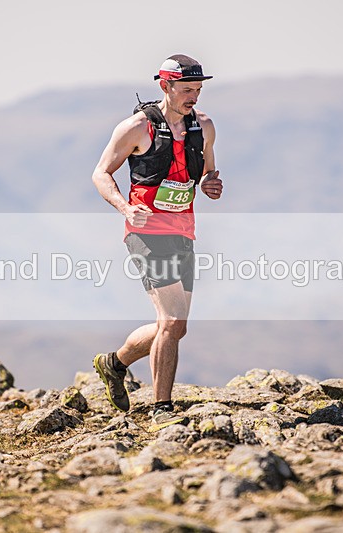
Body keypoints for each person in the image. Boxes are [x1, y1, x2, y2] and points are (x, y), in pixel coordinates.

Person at [91, 54, 223, 432]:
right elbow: (101, 173)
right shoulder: (136, 128)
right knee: (172, 321)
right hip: (146, 234)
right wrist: (124, 207)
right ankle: (161, 409)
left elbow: (208, 172)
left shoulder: (203, 127)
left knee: (175, 327)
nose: (193, 97)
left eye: (197, 90)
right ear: (165, 86)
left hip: (183, 232)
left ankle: (114, 364)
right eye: (186, 90)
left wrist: (211, 184)